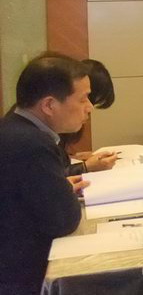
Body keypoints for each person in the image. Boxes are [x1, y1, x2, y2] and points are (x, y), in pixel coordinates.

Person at [0, 54, 92, 294]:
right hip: (19, 277)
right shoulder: (32, 144)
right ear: (49, 105)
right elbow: (64, 220)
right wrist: (63, 191)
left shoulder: (14, 127)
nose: (89, 107)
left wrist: (59, 187)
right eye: (83, 99)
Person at [61, 58, 118, 175]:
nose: (90, 109)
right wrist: (86, 167)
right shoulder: (37, 137)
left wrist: (72, 158)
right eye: (83, 99)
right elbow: (51, 176)